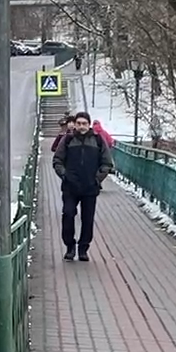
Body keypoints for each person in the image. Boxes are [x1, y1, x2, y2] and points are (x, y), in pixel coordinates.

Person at [52, 110, 114, 262]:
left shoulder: (98, 140)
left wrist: (97, 179)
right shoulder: (68, 140)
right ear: (75, 125)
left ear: (89, 124)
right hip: (70, 187)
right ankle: (70, 247)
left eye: (84, 123)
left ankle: (83, 248)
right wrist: (65, 176)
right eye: (78, 123)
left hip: (90, 187)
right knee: (68, 214)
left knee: (87, 219)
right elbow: (57, 160)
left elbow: (107, 163)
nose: (81, 126)